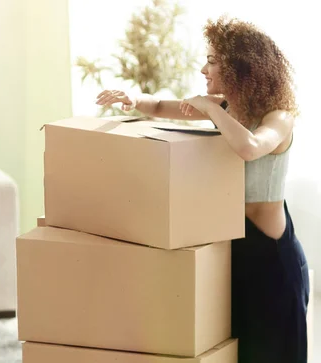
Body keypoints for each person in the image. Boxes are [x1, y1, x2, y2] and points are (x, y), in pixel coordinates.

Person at [96, 16, 309, 363]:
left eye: (212, 61)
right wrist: (133, 98)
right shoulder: (230, 109)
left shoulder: (279, 116)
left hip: (272, 263)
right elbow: (161, 107)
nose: (203, 69)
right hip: (234, 255)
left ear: (240, 66)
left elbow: (251, 147)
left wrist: (210, 107)